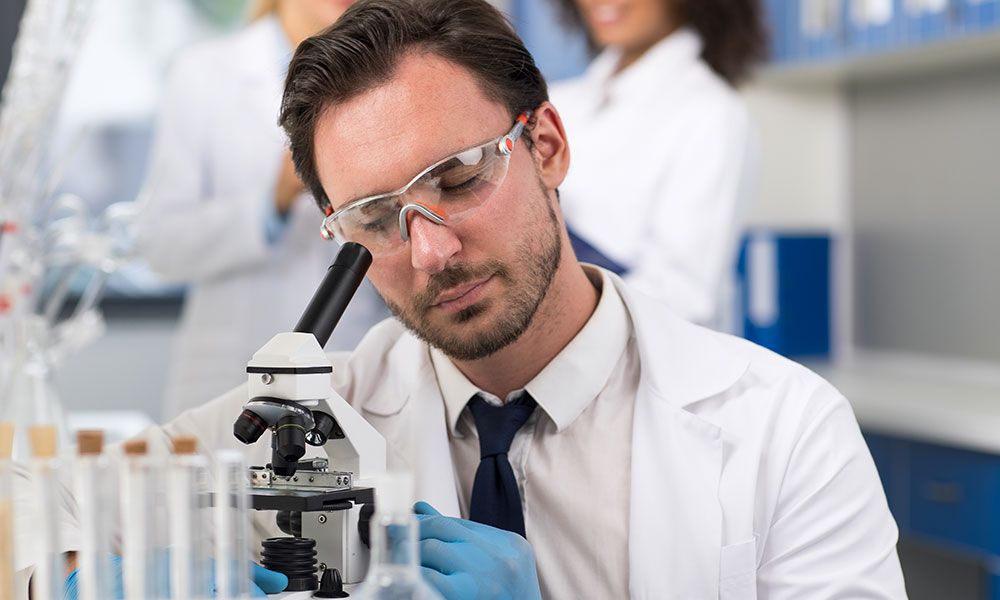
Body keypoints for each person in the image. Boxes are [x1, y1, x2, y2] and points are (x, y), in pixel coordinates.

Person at [19, 0, 903, 597]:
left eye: (458, 175)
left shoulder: (785, 431)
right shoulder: (330, 407)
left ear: (548, 146)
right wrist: (80, 571)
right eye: (376, 216)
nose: (430, 249)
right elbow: (37, 499)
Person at [135, 0, 387, 419]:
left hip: (354, 350)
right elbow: (160, 243)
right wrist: (274, 200)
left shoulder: (389, 69)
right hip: (232, 365)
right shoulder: (204, 74)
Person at [547, 0, 767, 329]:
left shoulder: (712, 114)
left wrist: (549, 299)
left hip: (645, 366)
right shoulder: (556, 101)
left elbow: (684, 297)